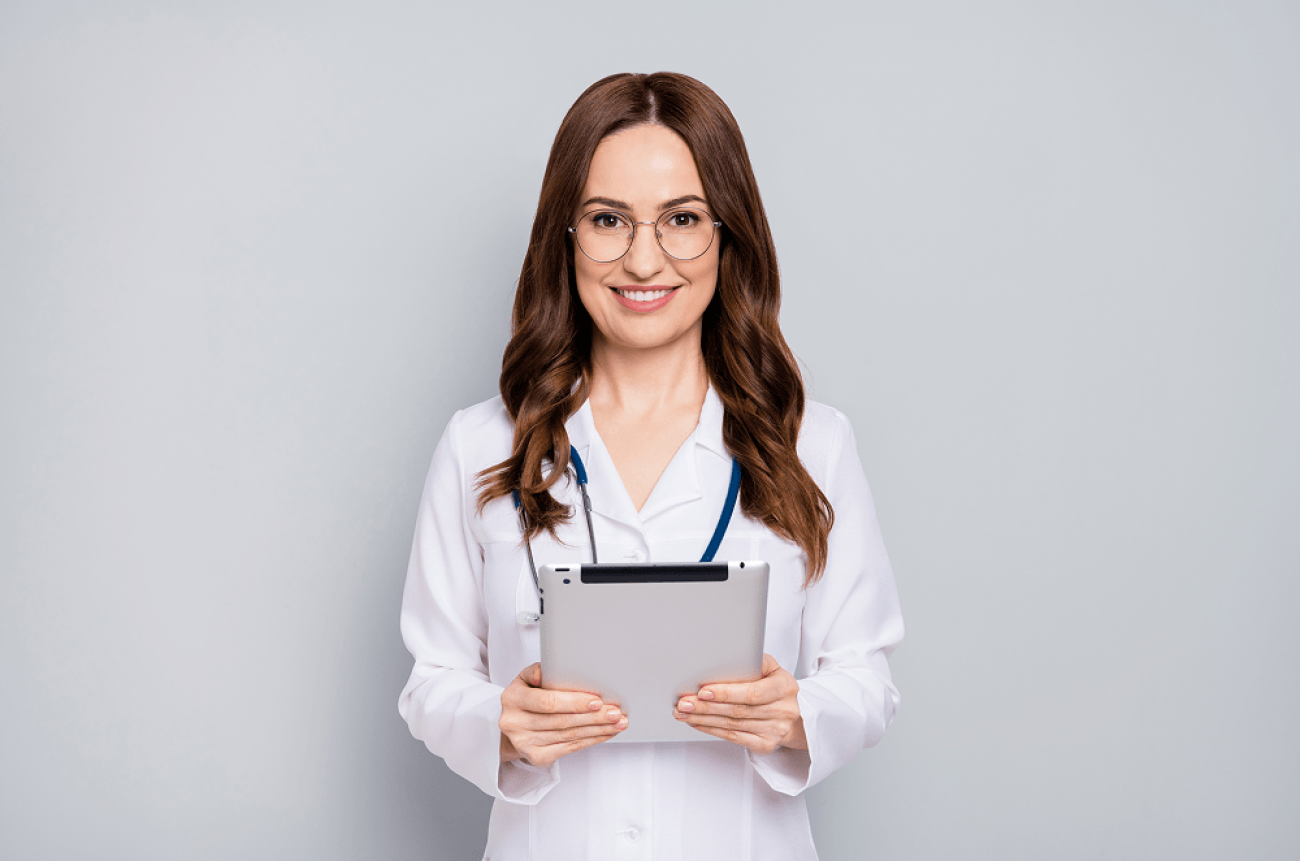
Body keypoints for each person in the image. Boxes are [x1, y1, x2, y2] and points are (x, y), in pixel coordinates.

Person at [398, 71, 903, 861]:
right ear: (566, 235)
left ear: (728, 234)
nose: (643, 259)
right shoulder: (480, 446)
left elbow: (868, 677)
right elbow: (432, 679)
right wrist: (497, 722)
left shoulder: (814, 445)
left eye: (682, 219)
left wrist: (797, 712)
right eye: (608, 219)